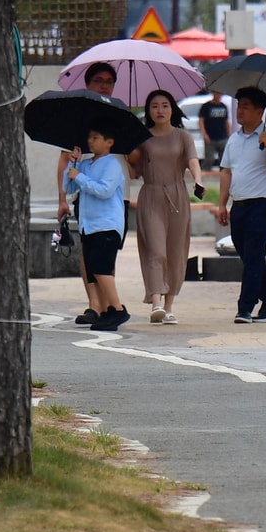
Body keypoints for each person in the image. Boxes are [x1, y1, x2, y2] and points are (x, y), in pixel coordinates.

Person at [216, 86, 266, 324]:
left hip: (263, 205)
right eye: (239, 106)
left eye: (246, 106)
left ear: (260, 111)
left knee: (255, 254)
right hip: (239, 206)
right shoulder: (233, 141)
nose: (241, 111)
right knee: (250, 258)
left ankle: (245, 308)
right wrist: (222, 204)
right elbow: (226, 172)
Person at [128, 90, 202, 325]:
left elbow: (192, 162)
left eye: (165, 105)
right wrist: (128, 152)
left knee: (176, 253)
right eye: (154, 106)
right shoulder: (142, 137)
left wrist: (197, 180)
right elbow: (133, 172)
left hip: (178, 196)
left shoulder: (183, 137)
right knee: (155, 249)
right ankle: (156, 302)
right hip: (151, 195)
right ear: (148, 111)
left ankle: (169, 306)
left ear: (172, 109)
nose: (160, 110)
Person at [60, 61, 120, 325]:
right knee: (91, 255)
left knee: (105, 256)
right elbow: (64, 161)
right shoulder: (79, 116)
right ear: (88, 83)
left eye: (109, 80)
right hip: (87, 192)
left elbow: (135, 157)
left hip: (113, 195)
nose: (104, 84)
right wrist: (62, 199)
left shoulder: (121, 112)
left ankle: (110, 305)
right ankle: (94, 304)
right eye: (98, 80)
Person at [64, 123, 130, 331]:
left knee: (102, 268)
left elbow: (104, 190)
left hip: (107, 224)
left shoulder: (112, 164)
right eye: (89, 137)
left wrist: (80, 177)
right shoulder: (84, 164)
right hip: (88, 225)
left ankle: (118, 309)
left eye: (96, 137)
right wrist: (71, 165)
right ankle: (107, 310)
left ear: (109, 142)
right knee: (93, 269)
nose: (90, 141)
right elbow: (70, 186)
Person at [199, 91, 231, 170]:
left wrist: (229, 134)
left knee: (224, 160)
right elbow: (201, 121)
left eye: (220, 94)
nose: (218, 95)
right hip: (210, 137)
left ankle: (222, 176)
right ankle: (204, 175)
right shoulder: (206, 106)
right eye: (217, 93)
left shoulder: (223, 106)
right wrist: (204, 134)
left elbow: (226, 121)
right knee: (209, 159)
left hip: (222, 137)